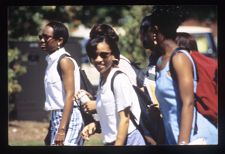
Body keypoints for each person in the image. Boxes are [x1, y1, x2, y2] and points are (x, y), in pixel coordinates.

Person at [140, 6, 218, 145]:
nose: (143, 38)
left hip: (195, 138)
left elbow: (188, 103)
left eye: (145, 32)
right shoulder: (160, 61)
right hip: (175, 135)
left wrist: (182, 143)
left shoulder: (179, 58)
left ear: (155, 31)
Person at [78, 24, 145, 146]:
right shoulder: (104, 76)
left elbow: (125, 119)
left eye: (104, 54)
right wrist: (96, 125)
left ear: (113, 53)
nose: (98, 59)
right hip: (112, 140)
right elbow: (111, 111)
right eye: (94, 54)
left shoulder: (119, 76)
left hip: (127, 140)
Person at [39, 21, 84, 146]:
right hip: (57, 117)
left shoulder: (64, 61)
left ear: (59, 40)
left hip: (69, 118)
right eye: (41, 37)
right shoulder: (51, 61)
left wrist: (61, 130)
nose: (42, 40)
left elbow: (70, 95)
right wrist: (50, 130)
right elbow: (56, 100)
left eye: (46, 37)